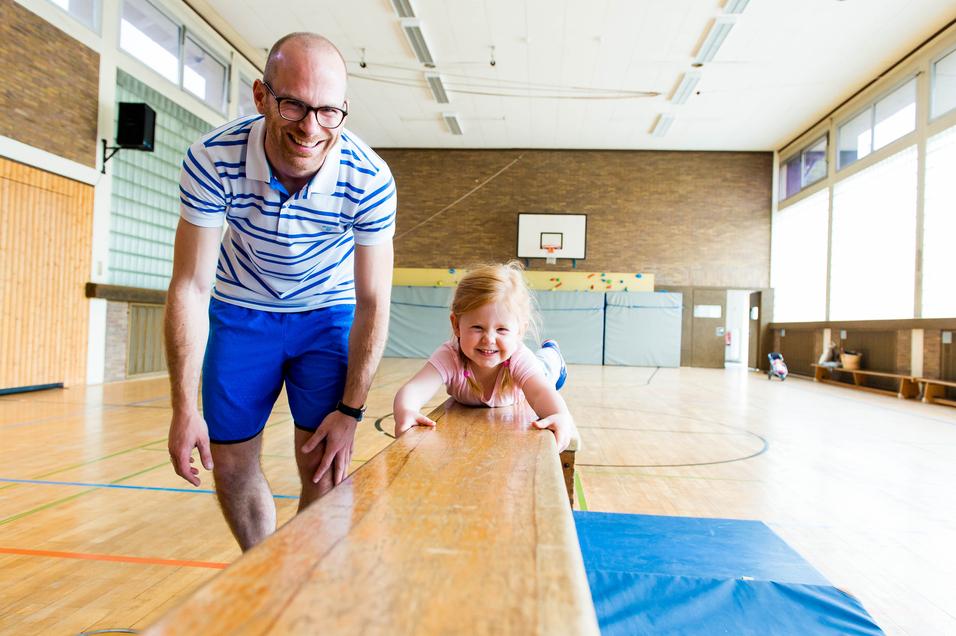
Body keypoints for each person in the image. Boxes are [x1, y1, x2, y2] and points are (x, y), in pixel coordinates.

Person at [164, 32, 395, 551]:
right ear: (262, 95)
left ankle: (303, 591)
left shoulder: (370, 178)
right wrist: (183, 406)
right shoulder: (210, 158)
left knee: (325, 463)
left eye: (328, 111)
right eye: (293, 105)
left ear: (344, 111)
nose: (311, 128)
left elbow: (374, 301)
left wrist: (352, 412)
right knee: (230, 463)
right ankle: (265, 570)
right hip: (242, 309)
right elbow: (191, 285)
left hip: (327, 311)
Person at [392, 262, 573, 451]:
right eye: (478, 328)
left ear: (520, 331)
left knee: (546, 366)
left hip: (544, 369)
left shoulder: (518, 357)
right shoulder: (451, 356)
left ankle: (552, 351)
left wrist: (559, 415)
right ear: (456, 325)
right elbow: (415, 389)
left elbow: (539, 393)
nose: (489, 339)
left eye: (501, 329)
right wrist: (406, 410)